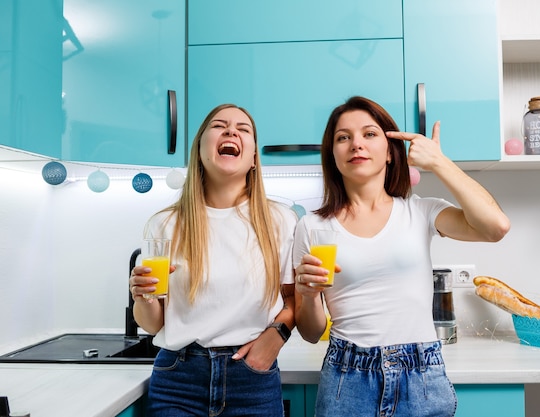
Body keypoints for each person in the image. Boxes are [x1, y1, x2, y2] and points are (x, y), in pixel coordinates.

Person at [293, 96, 510, 417]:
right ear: (333, 155)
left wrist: (440, 162)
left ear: (391, 152)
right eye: (343, 137)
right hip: (346, 379)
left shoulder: (421, 211)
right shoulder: (312, 227)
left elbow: (496, 227)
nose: (356, 144)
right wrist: (309, 296)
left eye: (369, 134)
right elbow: (311, 333)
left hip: (421, 375)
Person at [129, 104, 298, 416]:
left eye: (243, 129)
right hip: (178, 379)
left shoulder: (281, 220)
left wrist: (276, 338)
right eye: (219, 126)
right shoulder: (164, 224)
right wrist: (143, 296)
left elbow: (293, 302)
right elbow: (153, 323)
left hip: (252, 380)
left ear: (253, 158)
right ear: (200, 148)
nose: (231, 131)